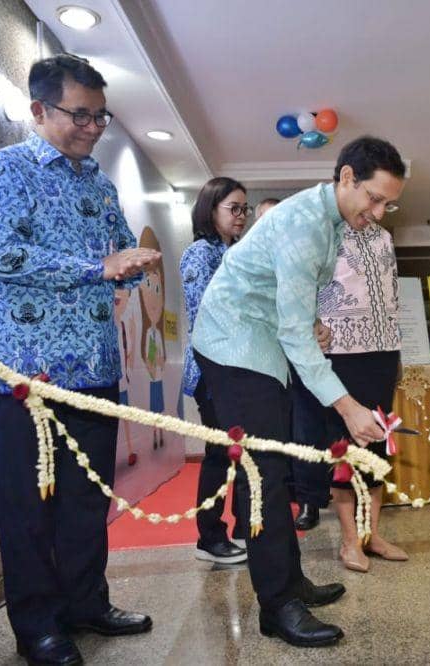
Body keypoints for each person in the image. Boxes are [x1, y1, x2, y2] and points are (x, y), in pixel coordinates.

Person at [0, 55, 158, 665]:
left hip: (96, 370)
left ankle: (86, 604)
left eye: (101, 117)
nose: (94, 127)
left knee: (85, 500)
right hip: (24, 376)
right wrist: (96, 269)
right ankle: (37, 626)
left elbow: (119, 245)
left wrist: (127, 264)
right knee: (29, 509)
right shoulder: (2, 171)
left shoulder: (98, 182)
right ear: (39, 110)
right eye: (81, 114)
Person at [190, 136, 404, 647]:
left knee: (276, 468)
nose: (377, 212)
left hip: (264, 342)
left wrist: (312, 322)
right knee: (261, 475)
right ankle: (276, 605)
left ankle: (290, 581)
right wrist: (348, 407)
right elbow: (288, 329)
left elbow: (293, 295)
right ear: (347, 177)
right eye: (373, 198)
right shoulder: (305, 223)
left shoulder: (331, 221)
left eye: (388, 204)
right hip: (234, 342)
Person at [313, 208, 407, 573]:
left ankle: (372, 535)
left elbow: (393, 295)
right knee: (345, 448)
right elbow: (306, 289)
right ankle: (350, 540)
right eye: (373, 199)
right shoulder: (326, 233)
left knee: (381, 445)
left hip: (383, 353)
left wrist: (396, 350)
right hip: (340, 354)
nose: (378, 210)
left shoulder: (385, 237)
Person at [180, 177, 253, 565]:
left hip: (241, 366)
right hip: (212, 370)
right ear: (211, 210)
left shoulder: (237, 252)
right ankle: (210, 537)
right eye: (234, 208)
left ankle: (246, 525)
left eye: (246, 209)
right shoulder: (199, 254)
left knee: (243, 453)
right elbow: (204, 312)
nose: (242, 216)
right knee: (219, 455)